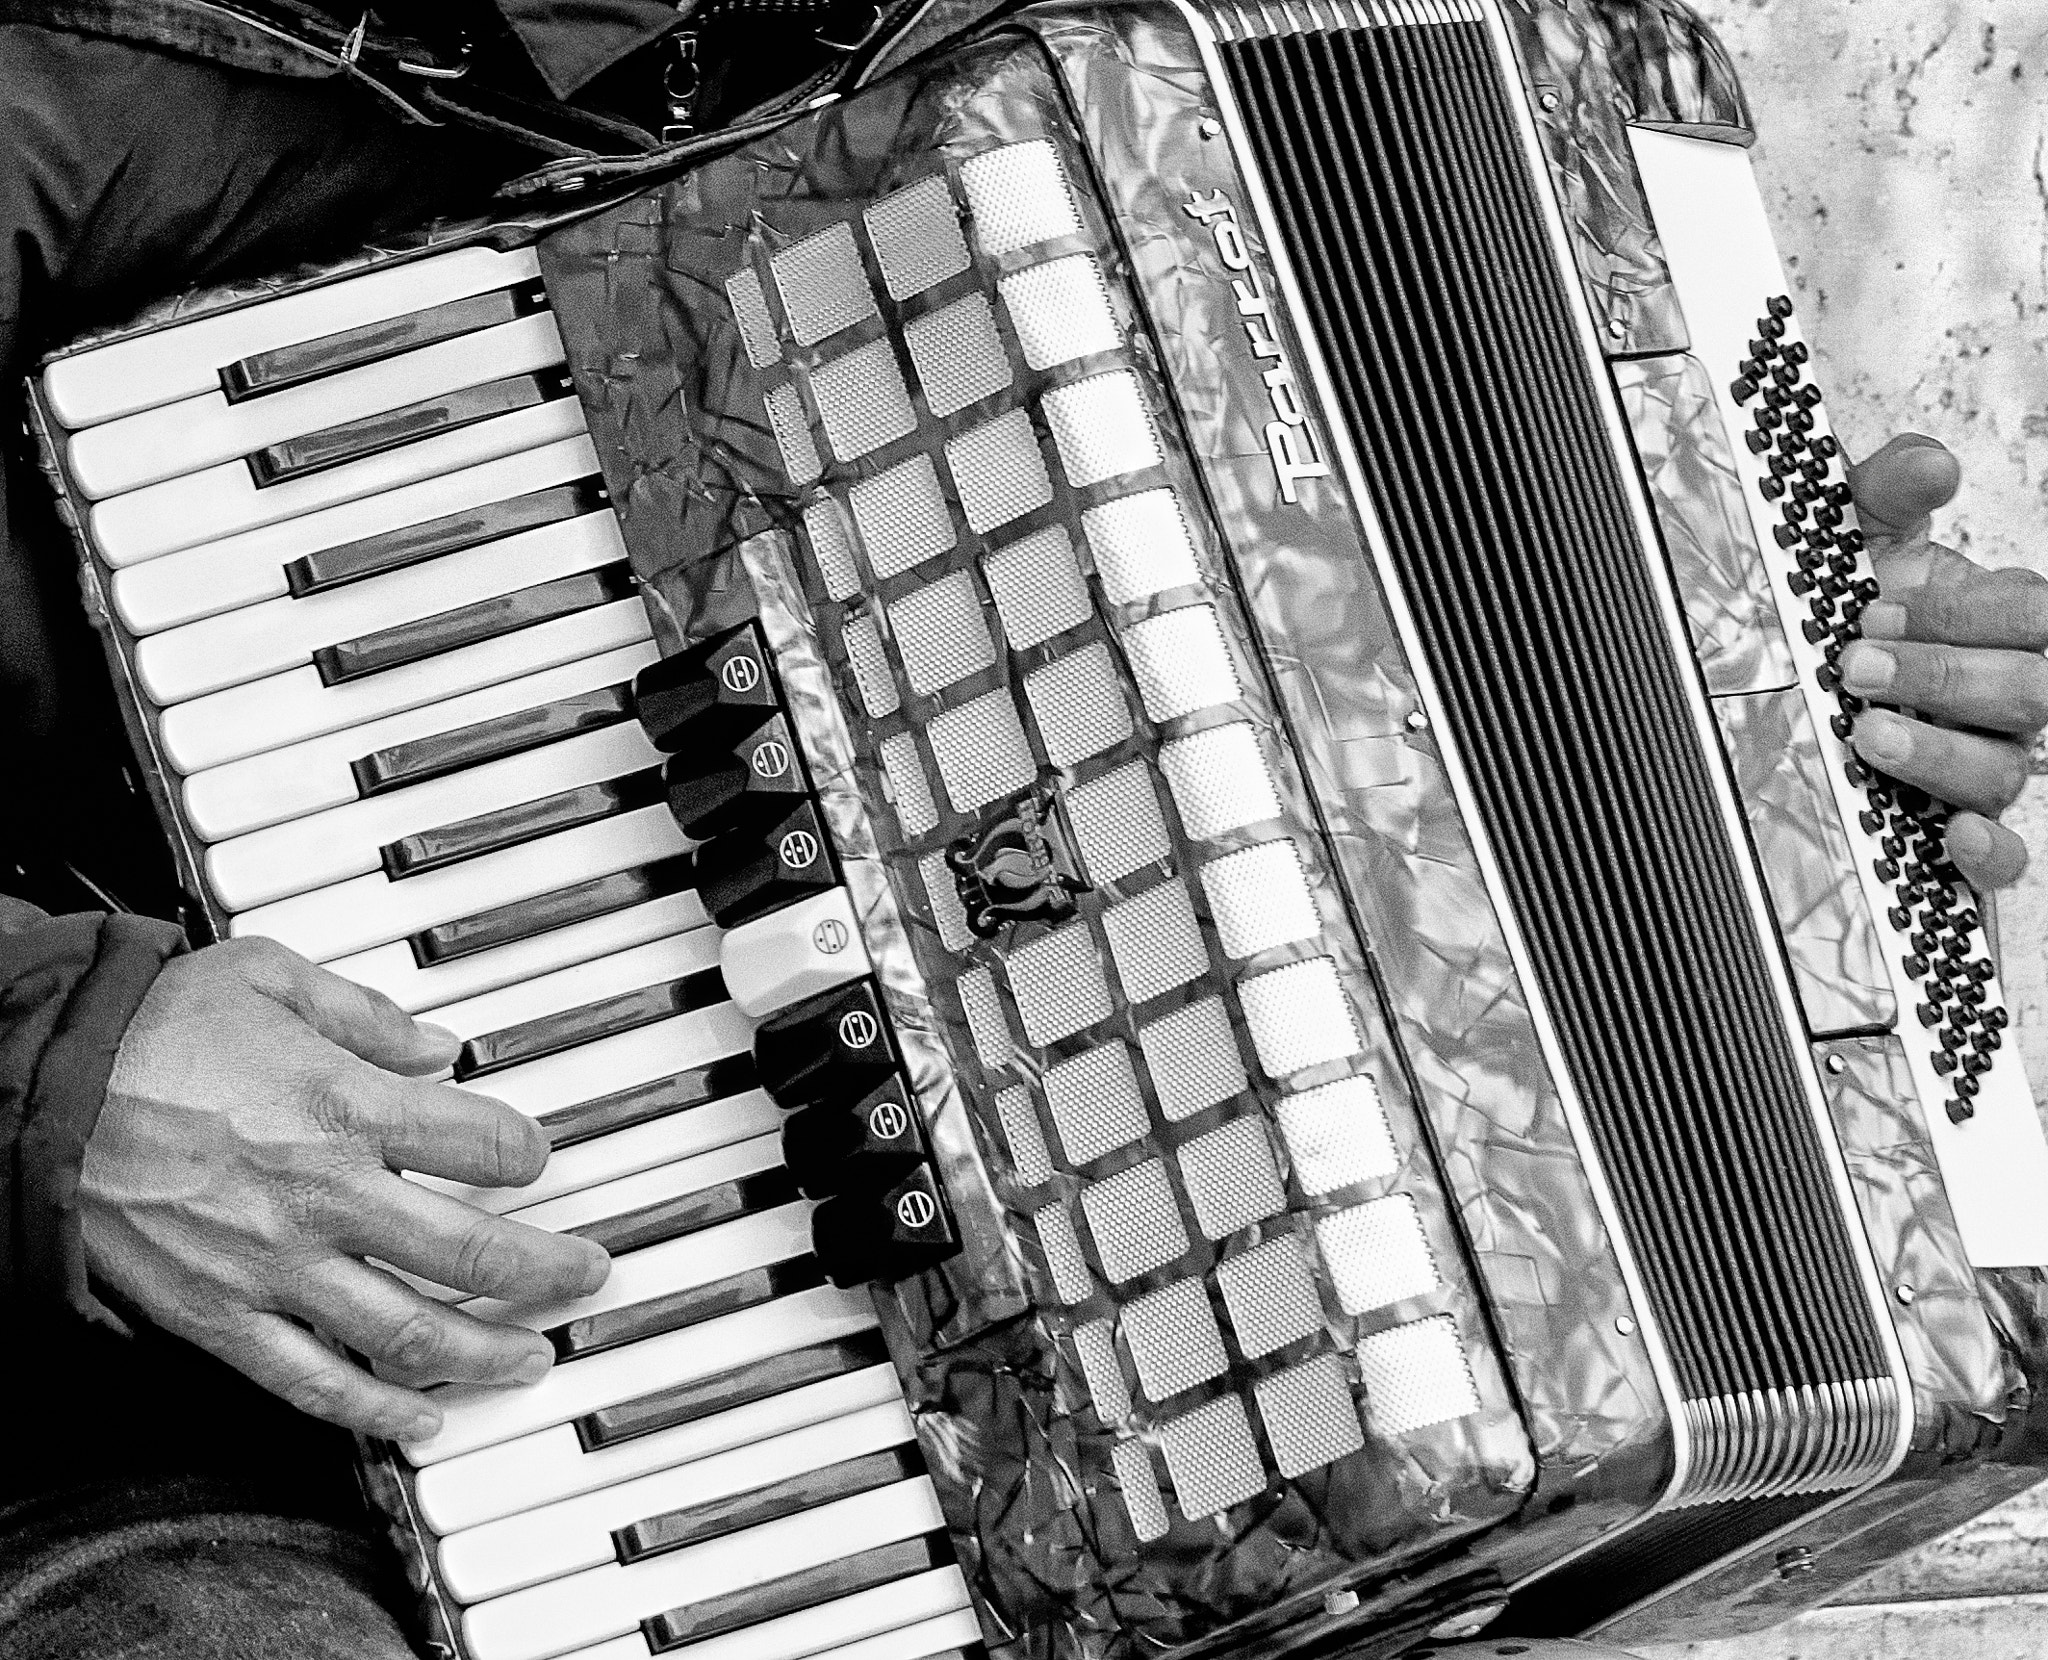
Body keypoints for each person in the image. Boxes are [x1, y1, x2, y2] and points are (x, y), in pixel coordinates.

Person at [0, 5, 2044, 1656]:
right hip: (151, 1436)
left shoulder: (1126, 74)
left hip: (892, 1488)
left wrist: (1771, 785)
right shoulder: (107, 81)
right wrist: (52, 1071)